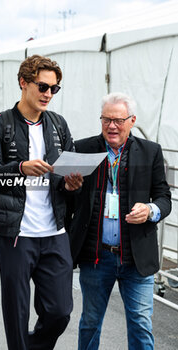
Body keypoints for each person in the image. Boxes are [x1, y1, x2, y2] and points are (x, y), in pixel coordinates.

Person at [0, 55, 83, 350]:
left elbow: (64, 178)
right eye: (43, 86)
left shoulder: (59, 125)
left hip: (55, 233)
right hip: (15, 234)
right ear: (23, 83)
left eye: (54, 89)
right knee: (17, 311)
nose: (48, 93)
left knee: (60, 312)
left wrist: (72, 185)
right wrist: (19, 169)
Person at [68, 92, 171, 350]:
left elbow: (164, 198)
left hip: (136, 258)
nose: (111, 126)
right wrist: (70, 188)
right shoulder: (82, 148)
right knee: (90, 322)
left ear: (132, 120)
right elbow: (68, 198)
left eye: (118, 120)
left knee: (140, 323)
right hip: (96, 256)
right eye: (106, 120)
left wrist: (150, 210)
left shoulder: (150, 152)